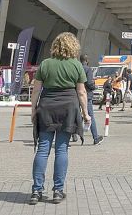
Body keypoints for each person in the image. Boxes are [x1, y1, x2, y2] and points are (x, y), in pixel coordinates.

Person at [28, 32, 89, 205]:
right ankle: (57, 191)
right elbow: (81, 92)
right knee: (62, 150)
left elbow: (36, 90)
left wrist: (33, 110)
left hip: (47, 107)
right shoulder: (76, 65)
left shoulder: (45, 64)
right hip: (68, 108)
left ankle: (36, 191)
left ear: (55, 46)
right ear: (73, 47)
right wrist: (85, 113)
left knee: (42, 149)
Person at [79, 54, 103, 146]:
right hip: (86, 95)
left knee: (75, 115)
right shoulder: (87, 69)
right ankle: (95, 138)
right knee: (90, 116)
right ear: (87, 60)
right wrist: (94, 86)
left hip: (76, 94)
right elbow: (89, 83)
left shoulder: (77, 68)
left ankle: (72, 136)